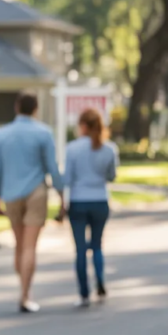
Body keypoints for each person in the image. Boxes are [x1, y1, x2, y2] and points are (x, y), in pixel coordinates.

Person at [0, 92, 65, 313]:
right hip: (36, 192)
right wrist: (62, 197)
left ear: (16, 107)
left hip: (10, 194)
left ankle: (23, 292)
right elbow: (53, 167)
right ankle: (25, 295)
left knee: (19, 245)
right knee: (30, 247)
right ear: (36, 109)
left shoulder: (1, 134)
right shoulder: (43, 132)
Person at [61, 108, 118, 307]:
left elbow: (67, 179)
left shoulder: (73, 148)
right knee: (97, 245)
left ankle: (84, 293)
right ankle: (100, 280)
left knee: (80, 250)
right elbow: (111, 176)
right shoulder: (109, 148)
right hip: (100, 200)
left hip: (78, 202)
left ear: (83, 126)